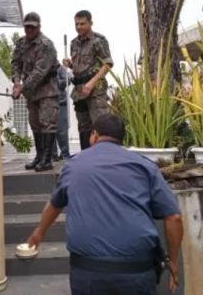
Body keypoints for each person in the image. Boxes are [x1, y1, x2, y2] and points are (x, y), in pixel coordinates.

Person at [27, 114, 183, 295]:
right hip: (137, 272)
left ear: (94, 135)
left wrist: (38, 234)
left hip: (88, 273)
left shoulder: (74, 165)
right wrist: (173, 261)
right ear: (121, 139)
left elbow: (54, 205)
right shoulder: (144, 166)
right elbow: (174, 217)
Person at [11, 12, 59, 172]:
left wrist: (21, 88)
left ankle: (47, 159)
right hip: (31, 93)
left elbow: (39, 72)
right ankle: (39, 156)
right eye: (27, 27)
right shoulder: (21, 43)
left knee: (47, 123)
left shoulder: (46, 45)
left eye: (32, 27)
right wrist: (17, 82)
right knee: (35, 124)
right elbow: (15, 63)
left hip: (47, 89)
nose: (29, 30)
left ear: (39, 26)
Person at [63, 10, 113, 151]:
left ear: (91, 23)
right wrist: (70, 64)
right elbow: (81, 66)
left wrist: (92, 83)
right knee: (83, 127)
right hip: (79, 89)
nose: (79, 27)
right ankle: (86, 157)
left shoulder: (98, 40)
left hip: (95, 89)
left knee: (100, 124)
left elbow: (107, 64)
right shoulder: (74, 43)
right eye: (76, 24)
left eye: (82, 24)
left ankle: (103, 157)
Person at [52, 65, 71, 160]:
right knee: (49, 130)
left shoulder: (60, 68)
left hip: (60, 102)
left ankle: (65, 153)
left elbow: (68, 81)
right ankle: (52, 154)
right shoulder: (43, 68)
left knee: (61, 130)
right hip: (47, 102)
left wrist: (54, 82)